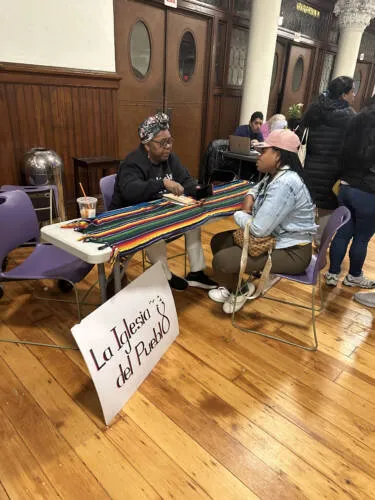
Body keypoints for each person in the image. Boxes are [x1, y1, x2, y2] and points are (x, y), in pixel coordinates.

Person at [208, 129, 317, 314]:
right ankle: (238, 288)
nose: (258, 155)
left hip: (293, 251)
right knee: (218, 241)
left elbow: (258, 230)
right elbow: (256, 189)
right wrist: (250, 196)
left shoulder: (285, 182)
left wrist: (240, 213)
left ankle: (240, 290)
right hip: (277, 240)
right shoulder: (276, 175)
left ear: (278, 155)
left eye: (263, 151)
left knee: (222, 261)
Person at [110, 112, 217, 291]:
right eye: (162, 143)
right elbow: (131, 191)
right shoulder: (132, 163)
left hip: (159, 213)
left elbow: (185, 180)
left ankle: (196, 272)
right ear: (147, 145)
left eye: (169, 141)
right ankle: (165, 276)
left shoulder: (169, 159)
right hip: (130, 219)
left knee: (194, 218)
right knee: (155, 229)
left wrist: (198, 191)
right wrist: (163, 183)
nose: (167, 147)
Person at [325, 97, 375, 289]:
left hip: (345, 185)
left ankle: (332, 273)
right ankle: (354, 276)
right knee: (362, 238)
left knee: (342, 233)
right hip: (369, 190)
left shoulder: (356, 118)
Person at [300, 76, 356, 246]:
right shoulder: (349, 117)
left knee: (309, 203)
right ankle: (317, 244)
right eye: (352, 91)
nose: (354, 95)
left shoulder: (315, 109)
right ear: (343, 95)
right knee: (327, 207)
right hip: (333, 170)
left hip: (310, 166)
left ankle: (302, 241)